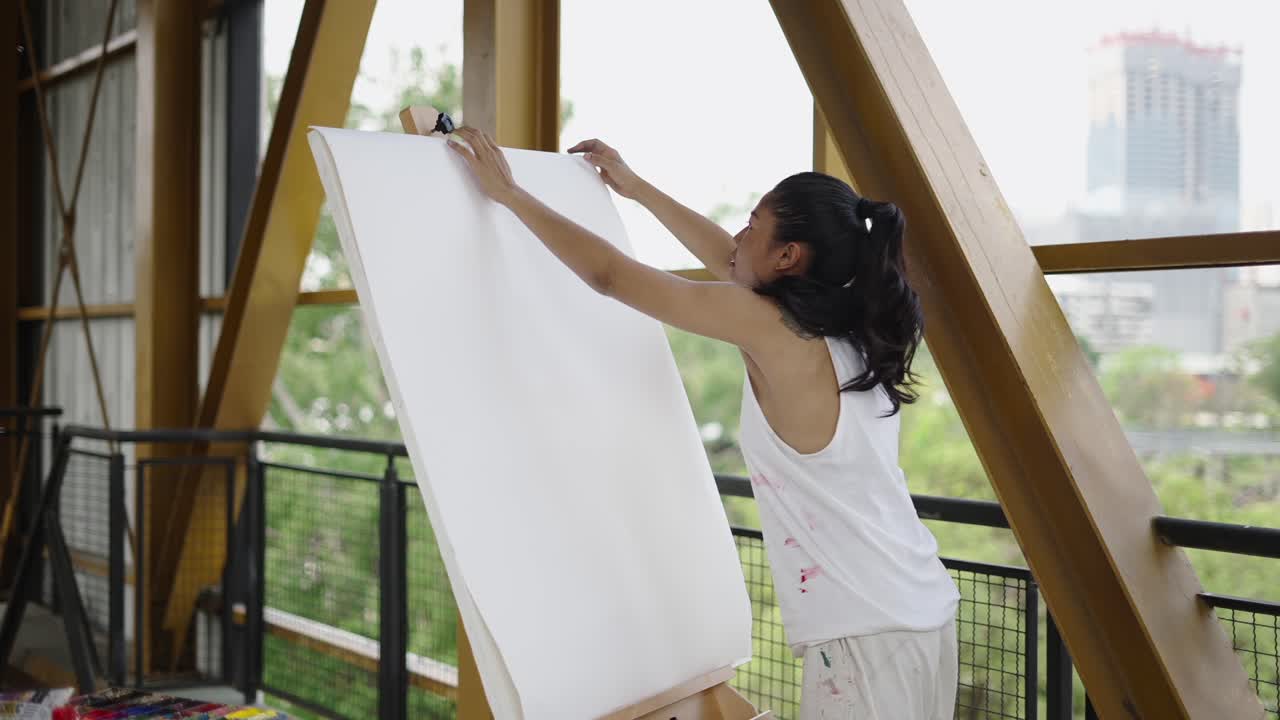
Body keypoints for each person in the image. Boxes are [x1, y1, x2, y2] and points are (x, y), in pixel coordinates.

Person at [447, 127, 960, 720]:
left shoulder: (773, 328)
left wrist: (510, 195)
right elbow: (729, 258)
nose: (739, 236)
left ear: (789, 256)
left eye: (753, 222)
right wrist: (635, 188)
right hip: (922, 610)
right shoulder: (850, 331)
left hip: (867, 632)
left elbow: (612, 276)